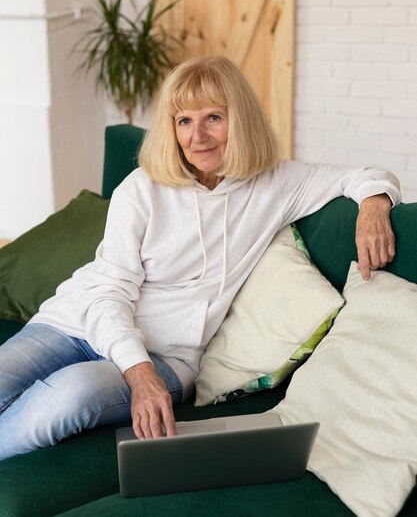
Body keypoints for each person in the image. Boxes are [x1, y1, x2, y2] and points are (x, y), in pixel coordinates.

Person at [0, 55, 400, 460]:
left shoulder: (276, 184)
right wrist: (138, 373)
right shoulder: (141, 190)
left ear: (239, 119)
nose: (198, 136)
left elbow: (365, 174)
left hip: (170, 357)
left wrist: (373, 206)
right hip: (76, 322)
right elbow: (109, 292)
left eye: (213, 117)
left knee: (68, 396)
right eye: (184, 121)